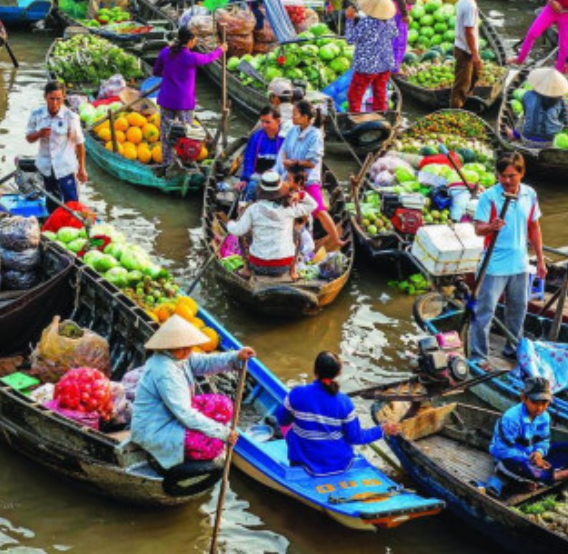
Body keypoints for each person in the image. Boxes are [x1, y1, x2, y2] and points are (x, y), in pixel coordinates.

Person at [130, 315, 255, 471]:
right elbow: (185, 414)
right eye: (182, 347)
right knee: (213, 445)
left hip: (173, 412)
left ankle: (203, 432)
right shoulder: (164, 371)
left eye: (188, 346)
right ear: (168, 347)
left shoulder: (181, 357)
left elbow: (206, 362)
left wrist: (236, 356)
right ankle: (176, 456)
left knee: (224, 405)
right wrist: (222, 433)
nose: (188, 351)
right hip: (156, 426)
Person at [272, 352, 400, 475]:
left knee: (289, 428)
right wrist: (382, 430)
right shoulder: (344, 402)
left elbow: (282, 420)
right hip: (340, 464)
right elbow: (355, 438)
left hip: (303, 463)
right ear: (338, 373)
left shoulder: (296, 394)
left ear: (314, 370)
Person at [471, 152, 546, 360]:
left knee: (518, 311)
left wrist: (540, 259)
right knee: (484, 313)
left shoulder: (529, 195)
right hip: (493, 265)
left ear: (521, 174)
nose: (506, 180)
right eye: (502, 175)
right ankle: (478, 356)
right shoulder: (490, 197)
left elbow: (534, 227)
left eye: (511, 176)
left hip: (519, 264)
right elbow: (478, 229)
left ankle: (512, 349)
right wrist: (491, 226)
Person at [488, 378, 568, 491]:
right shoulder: (511, 418)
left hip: (532, 457)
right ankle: (554, 476)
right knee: (518, 465)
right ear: (524, 398)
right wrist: (530, 459)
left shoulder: (544, 417)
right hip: (510, 459)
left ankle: (536, 477)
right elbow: (500, 450)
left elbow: (544, 440)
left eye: (544, 403)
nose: (540, 408)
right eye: (535, 402)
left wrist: (539, 453)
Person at [225, 171, 316, 278]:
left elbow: (237, 230)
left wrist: (229, 224)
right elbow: (313, 205)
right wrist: (300, 194)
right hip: (283, 266)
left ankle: (247, 269)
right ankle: (293, 271)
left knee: (244, 233)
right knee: (296, 233)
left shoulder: (253, 209)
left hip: (257, 265)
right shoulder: (289, 209)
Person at [153, 27, 224, 164]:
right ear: (190, 41)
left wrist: (169, 73)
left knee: (166, 133)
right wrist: (221, 50)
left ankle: (167, 162)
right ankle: (186, 161)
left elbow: (156, 71)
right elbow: (208, 58)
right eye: (195, 40)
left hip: (167, 99)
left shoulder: (165, 52)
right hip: (184, 102)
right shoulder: (191, 57)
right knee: (188, 134)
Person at [280, 100, 343, 250]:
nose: (292, 117)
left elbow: (312, 162)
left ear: (305, 117)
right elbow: (284, 149)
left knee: (319, 210)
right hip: (290, 176)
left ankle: (336, 239)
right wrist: (285, 161)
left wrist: (295, 162)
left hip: (308, 178)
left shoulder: (315, 135)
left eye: (295, 114)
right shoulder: (293, 130)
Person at [25, 81, 87, 204]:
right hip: (46, 167)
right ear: (45, 97)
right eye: (51, 99)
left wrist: (81, 168)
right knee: (52, 201)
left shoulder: (71, 117)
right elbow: (29, 138)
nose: (54, 103)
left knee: (72, 203)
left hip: (65, 168)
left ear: (63, 98)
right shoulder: (36, 114)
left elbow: (80, 144)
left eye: (58, 99)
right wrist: (39, 134)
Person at [345, 0, 399, 113]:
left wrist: (349, 20)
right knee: (380, 94)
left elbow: (350, 39)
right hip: (385, 63)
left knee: (354, 95)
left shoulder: (366, 22)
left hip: (367, 66)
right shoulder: (389, 20)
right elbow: (395, 33)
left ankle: (355, 119)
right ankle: (381, 116)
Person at [452, 0, 489, 109]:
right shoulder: (470, 5)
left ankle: (464, 104)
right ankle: (456, 110)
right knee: (461, 85)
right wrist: (475, 55)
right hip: (465, 49)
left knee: (472, 77)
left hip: (461, 46)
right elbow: (469, 31)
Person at [239, 106, 286, 197]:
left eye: (268, 122)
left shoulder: (285, 138)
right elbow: (249, 159)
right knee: (251, 189)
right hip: (258, 177)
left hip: (279, 179)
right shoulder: (256, 137)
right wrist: (245, 179)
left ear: (278, 121)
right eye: (262, 122)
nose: (264, 125)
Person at [518, 67, 568, 143]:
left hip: (528, 135)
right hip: (551, 137)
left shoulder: (527, 95)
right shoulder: (561, 100)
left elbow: (526, 113)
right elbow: (566, 120)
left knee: (521, 122)